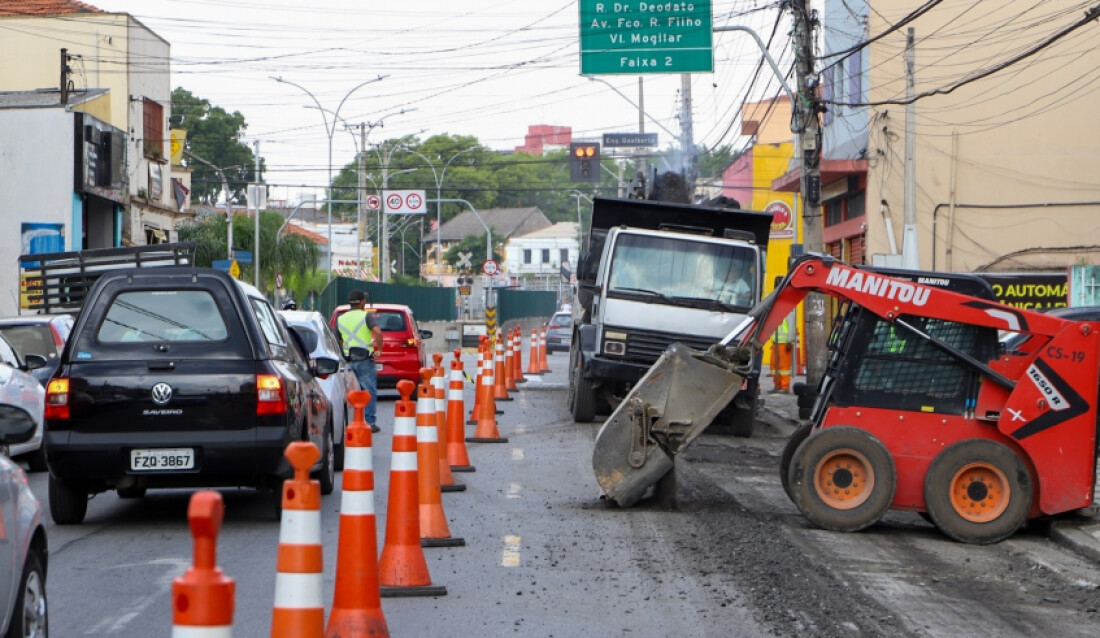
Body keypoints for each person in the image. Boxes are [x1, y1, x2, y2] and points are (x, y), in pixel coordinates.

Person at [337, 289, 384, 433]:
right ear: (362, 301)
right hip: (364, 359)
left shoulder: (341, 318)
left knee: (349, 393)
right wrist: (379, 350)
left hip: (348, 360)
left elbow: (337, 339)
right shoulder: (366, 316)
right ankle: (369, 422)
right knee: (368, 391)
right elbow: (378, 332)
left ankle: (351, 422)